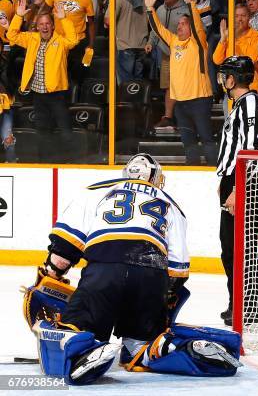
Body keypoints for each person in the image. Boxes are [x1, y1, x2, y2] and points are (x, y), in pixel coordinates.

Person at [22, 153, 242, 384]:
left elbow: (64, 248)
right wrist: (161, 302)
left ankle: (82, 348)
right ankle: (151, 348)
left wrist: (51, 274)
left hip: (104, 269)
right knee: (142, 340)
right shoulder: (171, 204)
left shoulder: (97, 190)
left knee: (74, 327)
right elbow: (178, 269)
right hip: (151, 273)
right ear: (155, 177)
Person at [216, 56, 258, 326]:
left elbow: (252, 151)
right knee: (230, 248)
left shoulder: (250, 103)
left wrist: (238, 188)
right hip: (234, 181)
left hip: (247, 182)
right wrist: (225, 181)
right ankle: (237, 302)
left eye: (225, 74)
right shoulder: (238, 105)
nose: (222, 79)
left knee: (244, 247)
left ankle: (251, 306)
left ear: (234, 78)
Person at [145, 0, 217, 165]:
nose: (179, 27)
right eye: (178, 24)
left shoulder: (198, 43)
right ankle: (192, 170)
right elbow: (159, 29)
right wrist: (150, 9)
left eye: (183, 24)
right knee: (188, 142)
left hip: (200, 99)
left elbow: (198, 25)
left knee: (207, 138)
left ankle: (214, 172)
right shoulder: (174, 41)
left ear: (191, 28)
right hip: (181, 104)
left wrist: (191, 2)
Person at [5, 0, 77, 163]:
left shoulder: (60, 41)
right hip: (39, 95)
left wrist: (63, 18)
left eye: (47, 24)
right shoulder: (32, 39)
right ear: (37, 26)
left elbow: (73, 40)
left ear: (52, 26)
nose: (44, 27)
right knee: (43, 132)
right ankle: (45, 163)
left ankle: (71, 163)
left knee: (65, 131)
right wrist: (18, 16)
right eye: (41, 24)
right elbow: (11, 35)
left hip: (57, 94)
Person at [146, 0, 190, 129]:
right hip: (165, 55)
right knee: (168, 86)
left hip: (183, 55)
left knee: (183, 86)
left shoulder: (185, 10)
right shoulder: (159, 10)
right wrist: (150, 42)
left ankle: (184, 119)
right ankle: (168, 117)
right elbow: (155, 29)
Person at [44, 0, 96, 82]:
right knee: (58, 74)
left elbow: (91, 24)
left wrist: (91, 44)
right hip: (58, 42)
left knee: (78, 75)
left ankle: (76, 97)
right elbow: (44, 12)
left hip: (78, 42)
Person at [113, 0, 148, 84]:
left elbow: (108, 20)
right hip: (142, 45)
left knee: (126, 87)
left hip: (125, 46)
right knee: (137, 88)